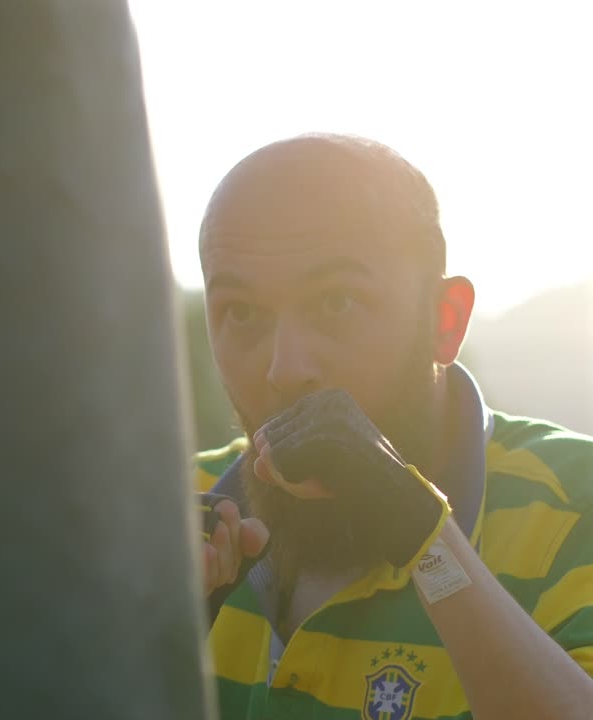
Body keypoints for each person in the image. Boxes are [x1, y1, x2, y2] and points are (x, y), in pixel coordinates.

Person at [193, 132, 593, 720]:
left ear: (443, 321)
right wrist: (145, 641)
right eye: (242, 312)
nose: (285, 369)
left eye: (336, 303)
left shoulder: (576, 502)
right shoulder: (168, 513)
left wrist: (422, 534)